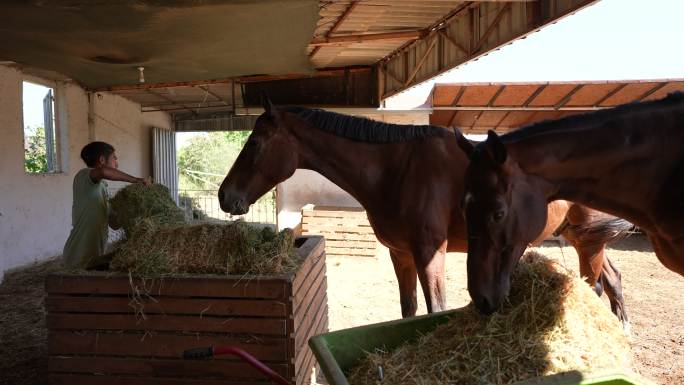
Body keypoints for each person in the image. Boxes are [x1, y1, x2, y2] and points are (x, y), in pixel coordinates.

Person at [62, 141, 150, 269]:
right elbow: (103, 171)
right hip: (77, 258)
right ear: (102, 160)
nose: (117, 163)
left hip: (94, 259)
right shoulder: (83, 176)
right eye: (114, 158)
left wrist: (135, 210)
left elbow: (114, 224)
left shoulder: (102, 191)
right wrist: (135, 180)